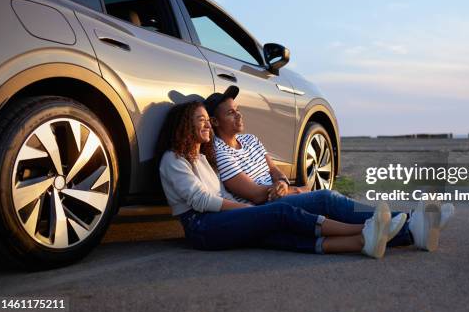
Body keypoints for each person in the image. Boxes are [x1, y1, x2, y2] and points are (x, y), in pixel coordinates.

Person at [205, 86, 454, 252]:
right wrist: (296, 190)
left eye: (238, 110)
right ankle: (414, 221)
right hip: (264, 210)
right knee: (327, 199)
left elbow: (274, 171)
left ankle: (412, 228)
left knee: (333, 207)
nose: (239, 116)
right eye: (230, 113)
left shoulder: (251, 140)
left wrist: (283, 183)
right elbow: (255, 194)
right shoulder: (220, 151)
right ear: (215, 122)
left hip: (279, 196)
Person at [158, 100, 407, 258]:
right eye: (201, 121)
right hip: (201, 227)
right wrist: (247, 210)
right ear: (183, 126)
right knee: (279, 214)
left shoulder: (202, 159)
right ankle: (365, 227)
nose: (208, 127)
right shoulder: (173, 160)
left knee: (274, 235)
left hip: (217, 220)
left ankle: (363, 242)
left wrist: (275, 193)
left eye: (208, 122)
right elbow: (201, 200)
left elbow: (220, 194)